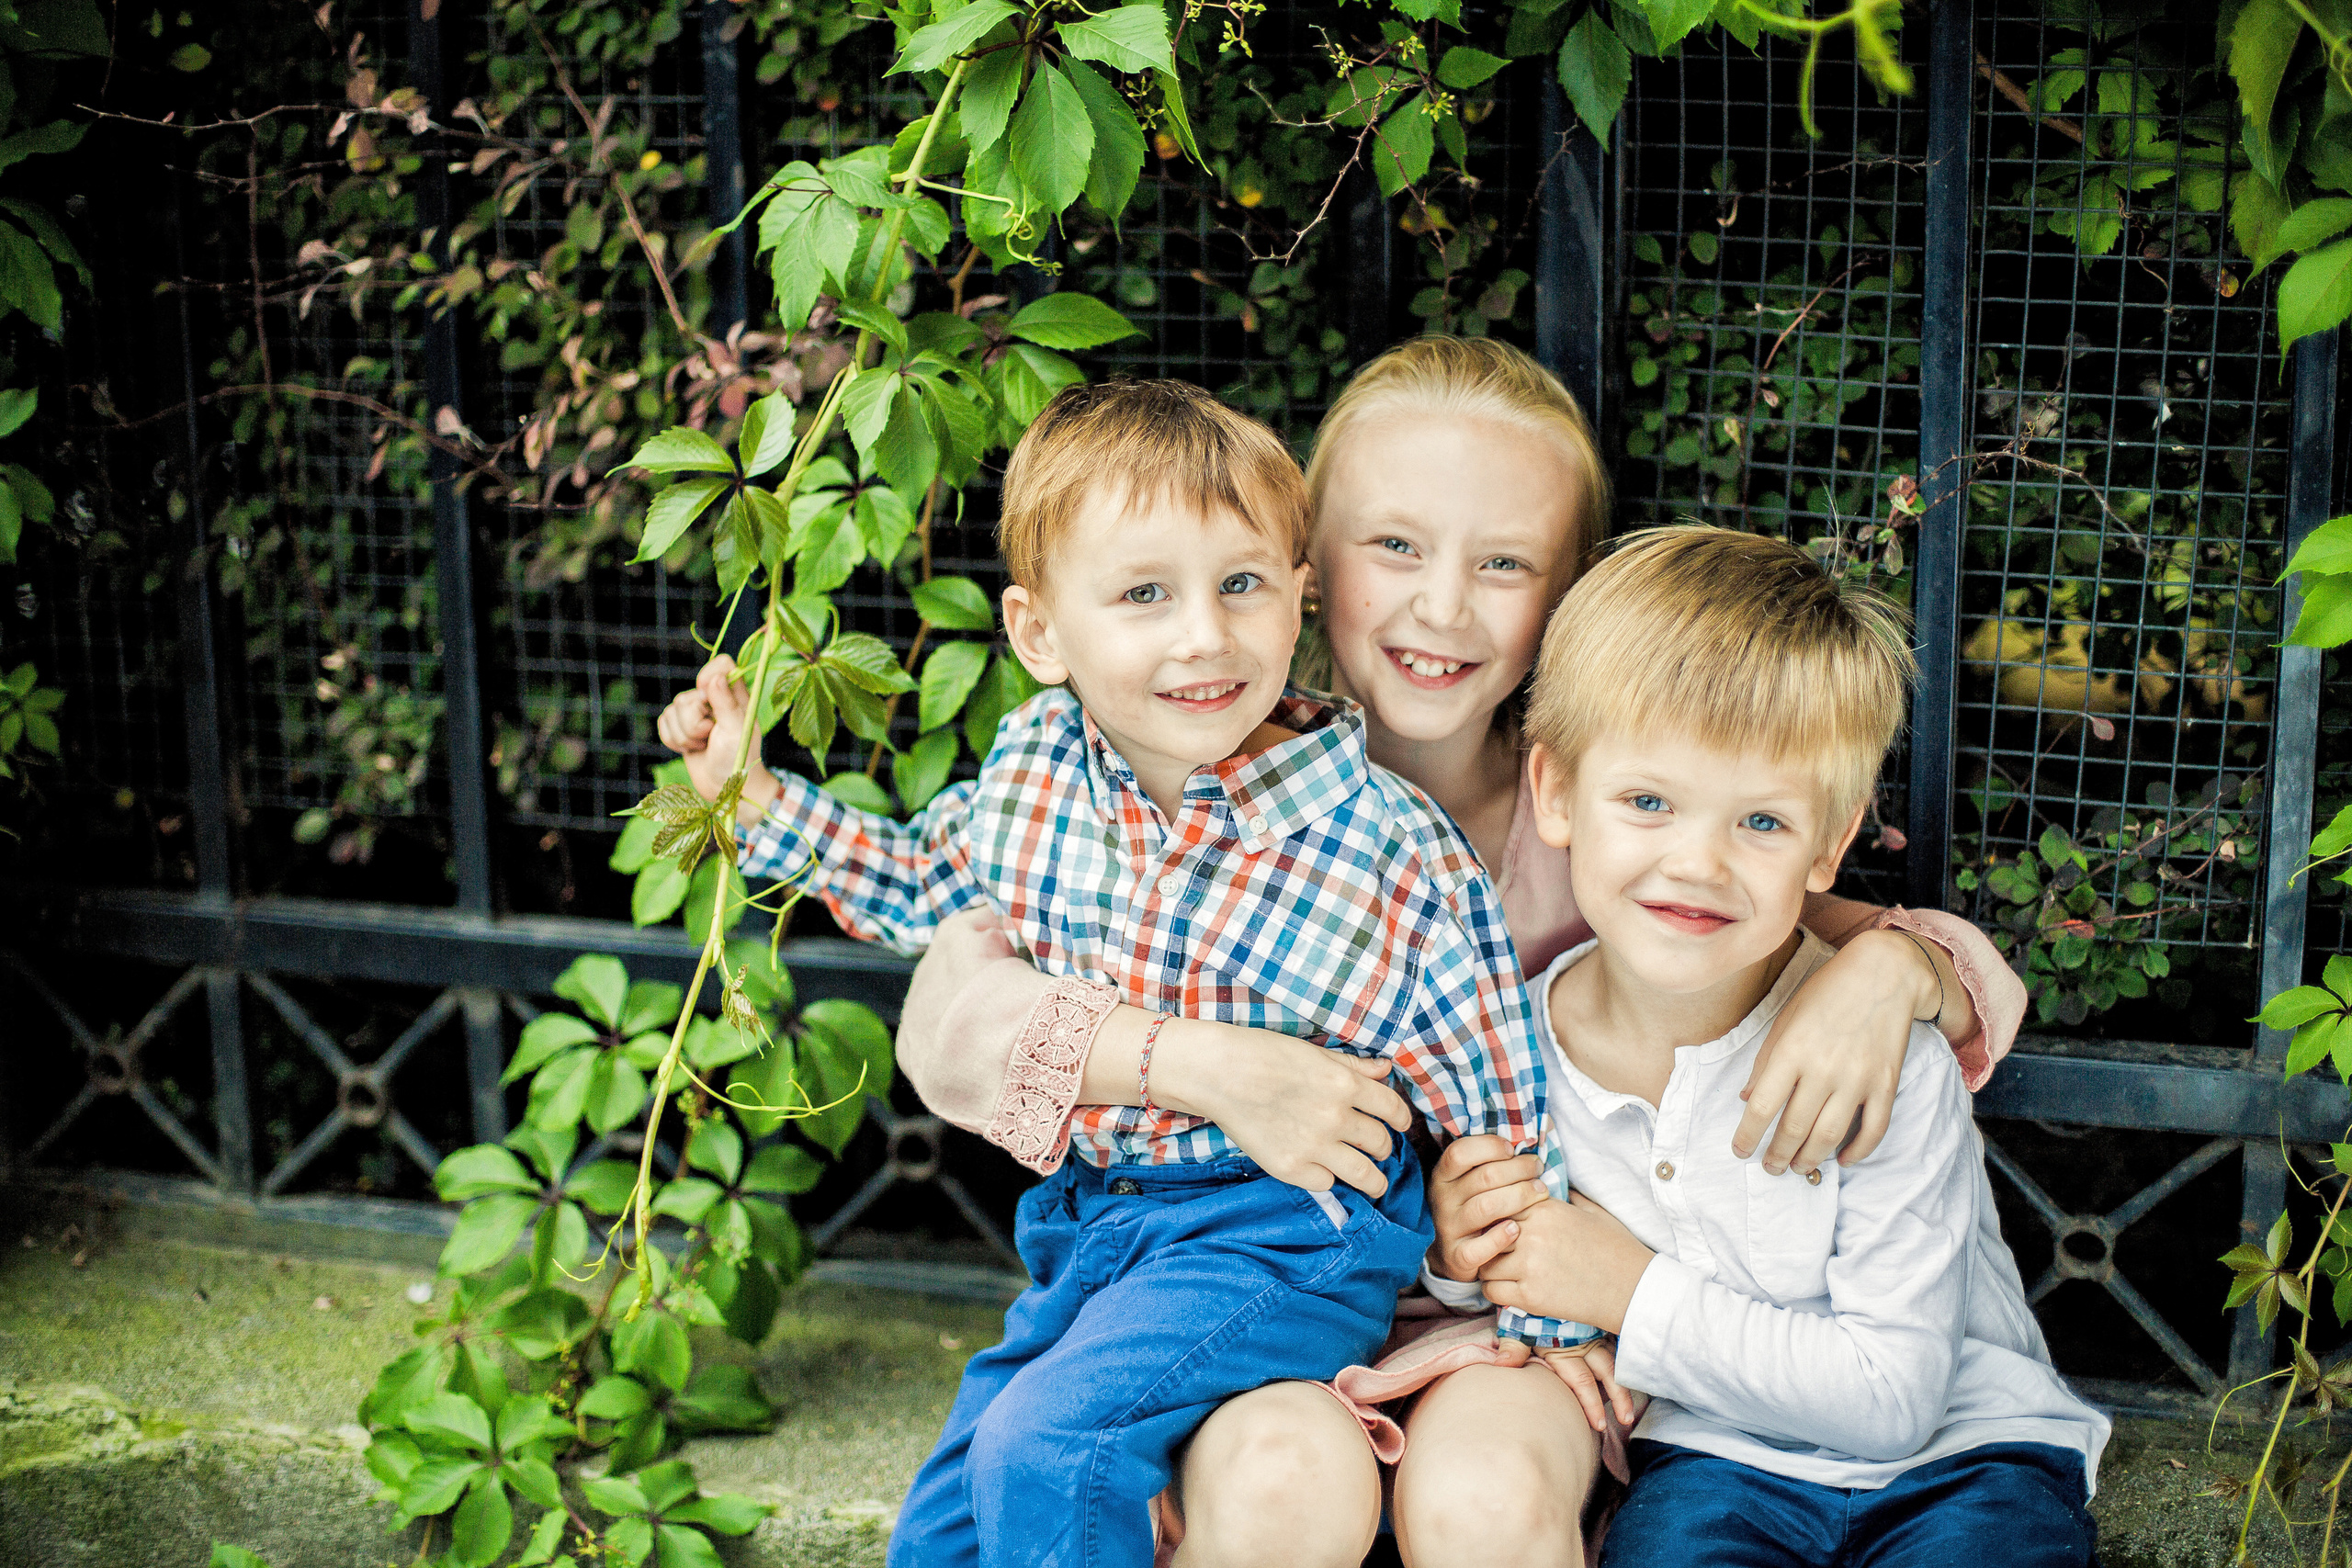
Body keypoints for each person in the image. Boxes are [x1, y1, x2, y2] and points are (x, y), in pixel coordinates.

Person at [829, 339, 2025, 1566]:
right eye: (1394, 546)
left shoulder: (1612, 827)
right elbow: (952, 1021)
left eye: (1504, 564)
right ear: (1305, 564)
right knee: (1271, 1472)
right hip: (1242, 1301)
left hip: (1510, 1319)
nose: (1443, 607)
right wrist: (1203, 1064)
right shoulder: (1156, 778)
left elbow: (1868, 941)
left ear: (1565, 599)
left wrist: (1895, 972)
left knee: (1488, 1489)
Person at [659, 377, 1595, 1568]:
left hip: (1283, 1226)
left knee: (1049, 1447)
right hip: (1095, 1221)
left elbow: (1497, 1096)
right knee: (951, 1516)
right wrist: (756, 802)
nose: (1204, 633)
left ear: (1296, 594)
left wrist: (1538, 1313)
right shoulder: (1036, 773)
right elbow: (920, 884)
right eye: (1146, 593)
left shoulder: (1385, 846)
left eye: (1240, 585)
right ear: (1038, 634)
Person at [1424, 525, 2106, 1568]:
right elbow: (1523, 1277)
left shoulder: (1878, 1060)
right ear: (1555, 792)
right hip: (1710, 1461)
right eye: (1648, 802)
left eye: (1761, 823)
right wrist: (1458, 1253)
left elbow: (1891, 1403)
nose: (1697, 862)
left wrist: (1629, 1291)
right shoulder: (1512, 1051)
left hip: (1965, 1457)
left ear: (1830, 842)